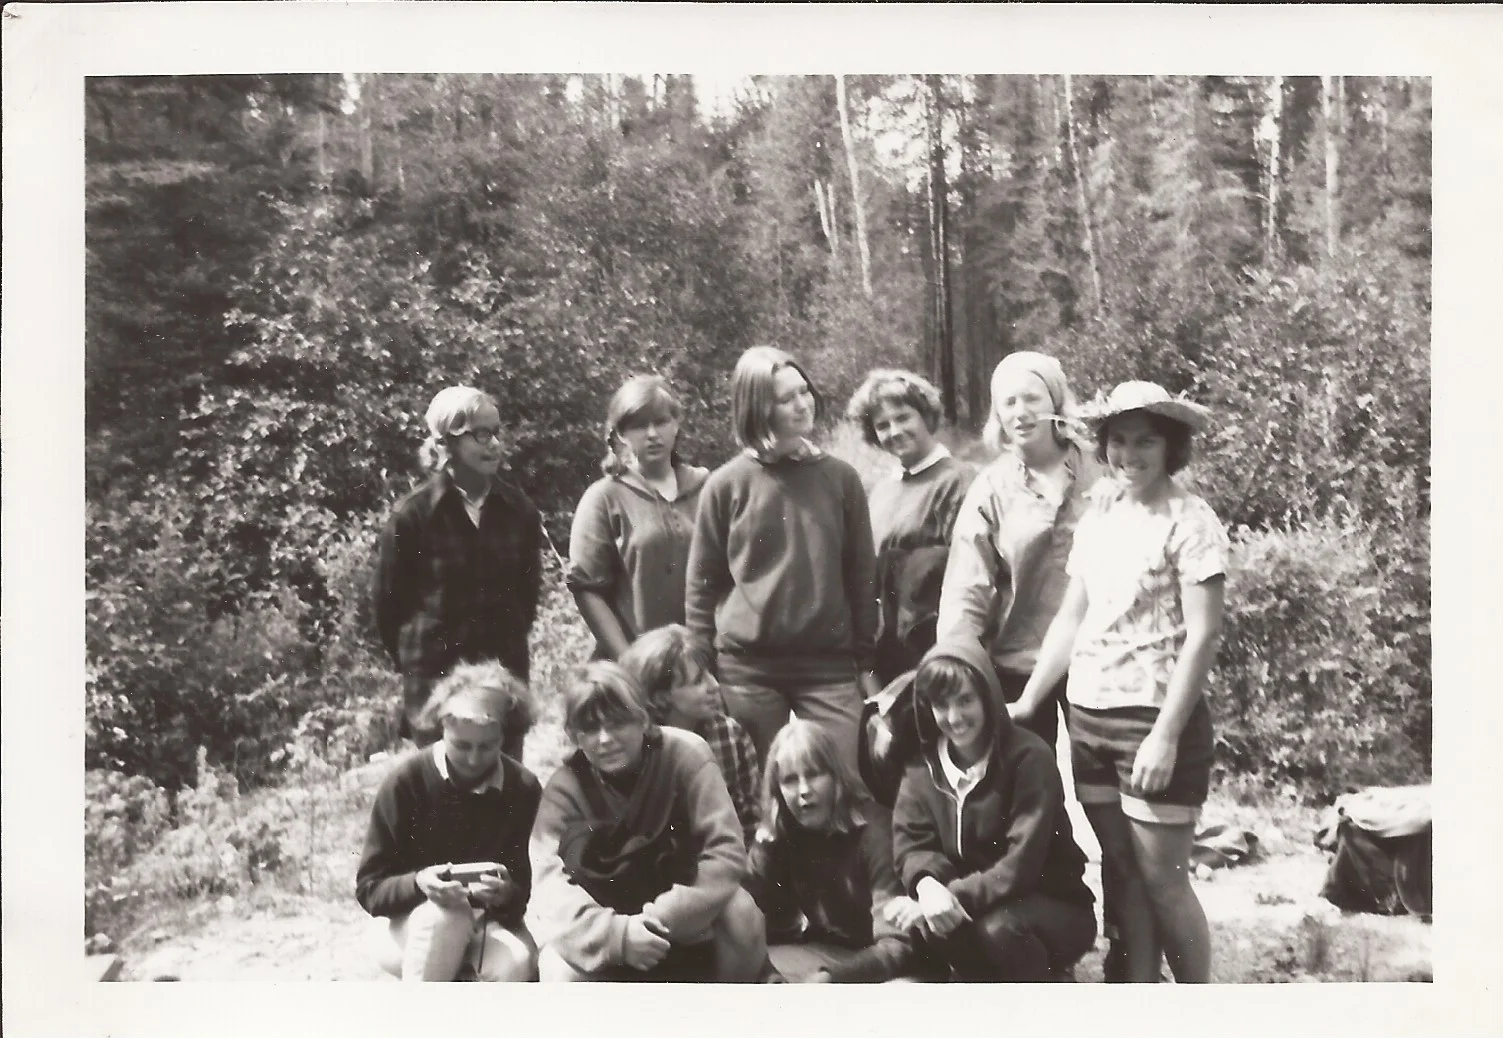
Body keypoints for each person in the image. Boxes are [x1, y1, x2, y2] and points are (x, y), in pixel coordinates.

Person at [1010, 380, 1228, 984]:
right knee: (1123, 871)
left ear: (1171, 446)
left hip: (1153, 721)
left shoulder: (1191, 521)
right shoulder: (1100, 515)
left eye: (1146, 442)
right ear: (1104, 445)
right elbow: (1072, 617)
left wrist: (1165, 737)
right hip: (1089, 718)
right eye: (1120, 441)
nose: (1130, 455)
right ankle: (1137, 995)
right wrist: (1029, 700)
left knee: (1164, 882)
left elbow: (1204, 635)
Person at [686, 345, 879, 784]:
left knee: (841, 785)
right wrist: (700, 665)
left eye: (804, 391)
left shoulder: (840, 478)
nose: (802, 404)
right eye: (786, 398)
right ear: (757, 407)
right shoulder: (725, 485)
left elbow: (862, 577)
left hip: (828, 668)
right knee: (762, 790)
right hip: (748, 671)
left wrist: (864, 657)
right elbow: (701, 585)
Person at [528, 661, 767, 982]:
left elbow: (725, 850)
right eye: (590, 729)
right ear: (573, 735)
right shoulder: (565, 786)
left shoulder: (686, 755)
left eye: (617, 724)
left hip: (681, 918)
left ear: (642, 719)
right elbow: (548, 882)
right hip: (609, 927)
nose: (604, 739)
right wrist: (618, 936)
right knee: (557, 967)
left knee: (740, 911)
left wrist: (665, 916)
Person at [890, 637, 1096, 982]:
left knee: (999, 929)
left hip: (1050, 907)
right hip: (977, 905)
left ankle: (1047, 989)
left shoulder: (1029, 758)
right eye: (941, 705)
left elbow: (1021, 866)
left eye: (965, 700)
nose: (954, 718)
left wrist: (950, 896)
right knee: (931, 925)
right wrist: (926, 886)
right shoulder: (920, 768)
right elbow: (911, 844)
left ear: (988, 696)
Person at [935, 350, 1098, 753]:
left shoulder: (1100, 468)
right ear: (998, 415)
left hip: (1097, 660)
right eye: (1009, 402)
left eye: (1032, 398)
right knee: (1028, 779)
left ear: (1055, 401)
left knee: (1101, 781)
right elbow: (967, 587)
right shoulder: (991, 489)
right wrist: (957, 660)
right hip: (1017, 664)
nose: (1021, 412)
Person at [373, 386, 542, 757]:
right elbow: (390, 610)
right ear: (446, 442)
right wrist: (420, 665)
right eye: (480, 435)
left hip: (502, 683)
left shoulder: (519, 512)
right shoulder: (412, 516)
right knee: (440, 786)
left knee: (504, 785)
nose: (494, 444)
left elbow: (527, 598)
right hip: (435, 687)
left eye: (496, 432)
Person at [355, 661, 541, 982]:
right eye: (462, 745)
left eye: (487, 746)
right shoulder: (407, 782)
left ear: (505, 736)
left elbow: (525, 891)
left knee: (516, 963)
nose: (473, 759)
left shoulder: (523, 788)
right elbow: (370, 888)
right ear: (441, 729)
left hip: (487, 927)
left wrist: (506, 893)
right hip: (407, 924)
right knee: (445, 917)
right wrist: (419, 883)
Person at [745, 719, 918, 983]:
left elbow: (896, 946)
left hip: (884, 967)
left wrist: (831, 979)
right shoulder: (783, 831)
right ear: (776, 789)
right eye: (790, 780)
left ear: (836, 776)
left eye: (814, 774)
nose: (804, 791)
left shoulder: (874, 832)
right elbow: (751, 913)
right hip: (823, 954)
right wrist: (764, 847)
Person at [845, 369, 976, 685]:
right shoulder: (881, 490)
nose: (895, 431)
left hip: (937, 647)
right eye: (882, 425)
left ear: (926, 417)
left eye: (903, 418)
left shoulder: (957, 480)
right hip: (887, 650)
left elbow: (968, 574)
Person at [567, 375, 711, 660]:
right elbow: (586, 589)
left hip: (706, 659)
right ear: (621, 434)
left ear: (676, 424)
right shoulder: (604, 498)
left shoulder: (708, 487)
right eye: (639, 426)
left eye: (661, 422)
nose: (652, 434)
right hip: (638, 661)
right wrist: (628, 660)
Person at [619, 624, 762, 847]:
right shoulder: (635, 746)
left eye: (710, 674)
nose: (714, 685)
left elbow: (750, 815)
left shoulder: (730, 735)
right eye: (698, 681)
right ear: (660, 698)